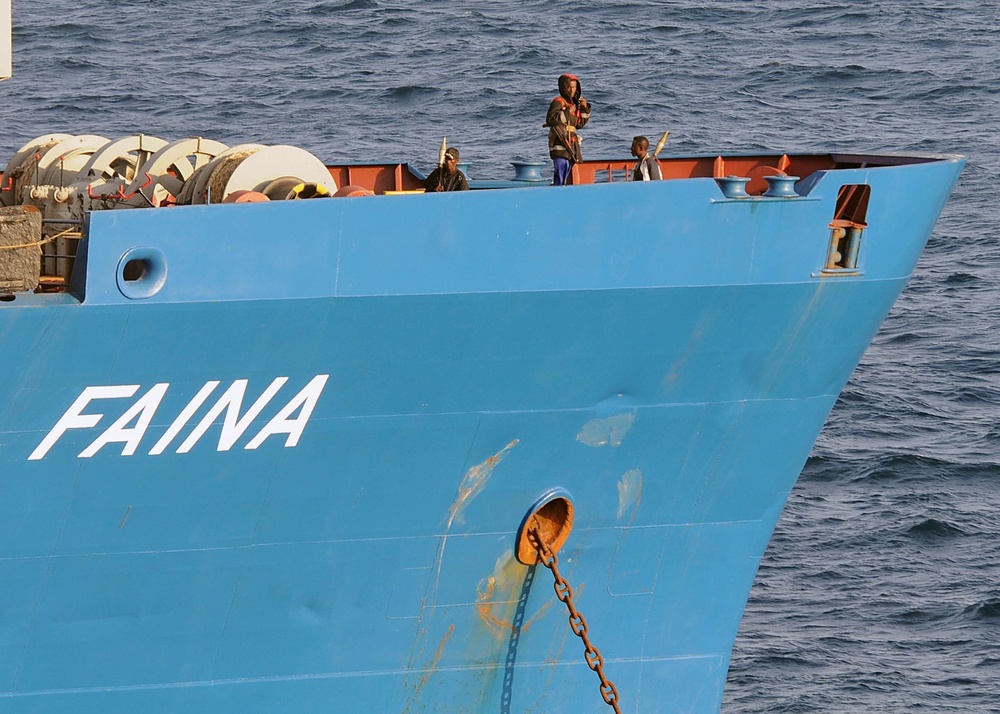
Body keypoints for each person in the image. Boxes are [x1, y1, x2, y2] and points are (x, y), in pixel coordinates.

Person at [544, 74, 591, 186]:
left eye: (574, 87)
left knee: (569, 174)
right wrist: (567, 112)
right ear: (564, 87)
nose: (572, 90)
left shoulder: (574, 104)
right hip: (560, 143)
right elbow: (550, 119)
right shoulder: (558, 102)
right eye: (569, 87)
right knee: (560, 172)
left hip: (572, 146)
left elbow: (579, 124)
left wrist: (585, 108)